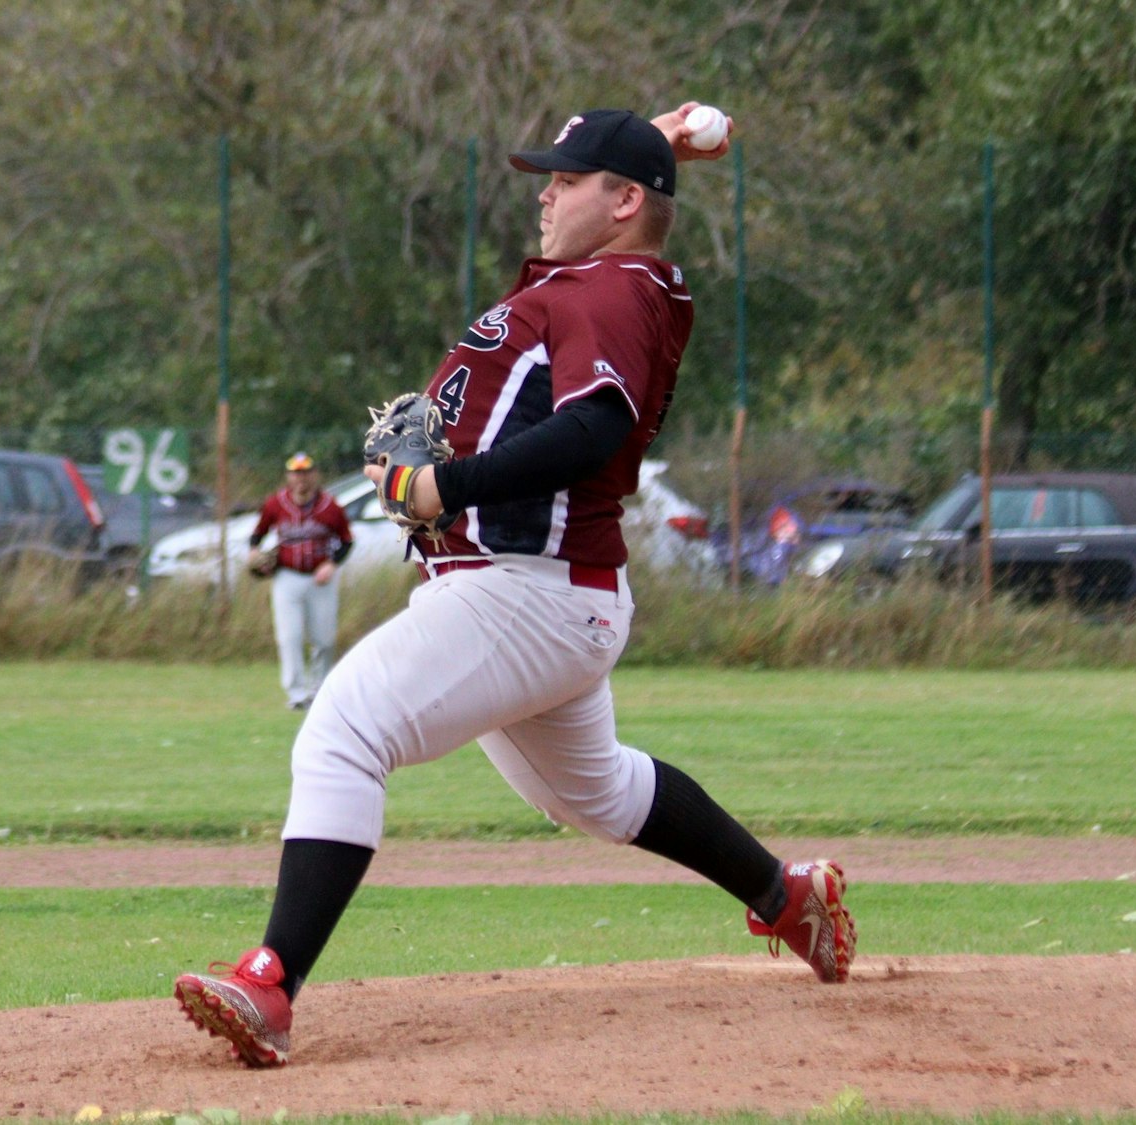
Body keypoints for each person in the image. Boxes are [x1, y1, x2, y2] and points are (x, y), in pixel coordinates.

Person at [172, 104, 856, 1068]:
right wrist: (649, 143)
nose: (546, 194)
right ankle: (788, 897)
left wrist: (442, 485)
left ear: (624, 203)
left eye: (567, 181)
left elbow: (593, 429)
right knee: (602, 793)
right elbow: (615, 229)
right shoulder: (598, 278)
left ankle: (270, 983)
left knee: (345, 728)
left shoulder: (612, 289)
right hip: (548, 592)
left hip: (527, 588)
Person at [247, 452, 355, 709]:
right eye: (296, 473)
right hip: (287, 576)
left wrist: (331, 564)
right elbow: (257, 534)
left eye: (305, 472)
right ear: (288, 476)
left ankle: (319, 692)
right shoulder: (276, 504)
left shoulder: (330, 506)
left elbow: (347, 540)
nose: (301, 479)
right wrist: (254, 552)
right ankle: (296, 694)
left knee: (324, 639)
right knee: (290, 637)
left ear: (314, 475)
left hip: (320, 579)